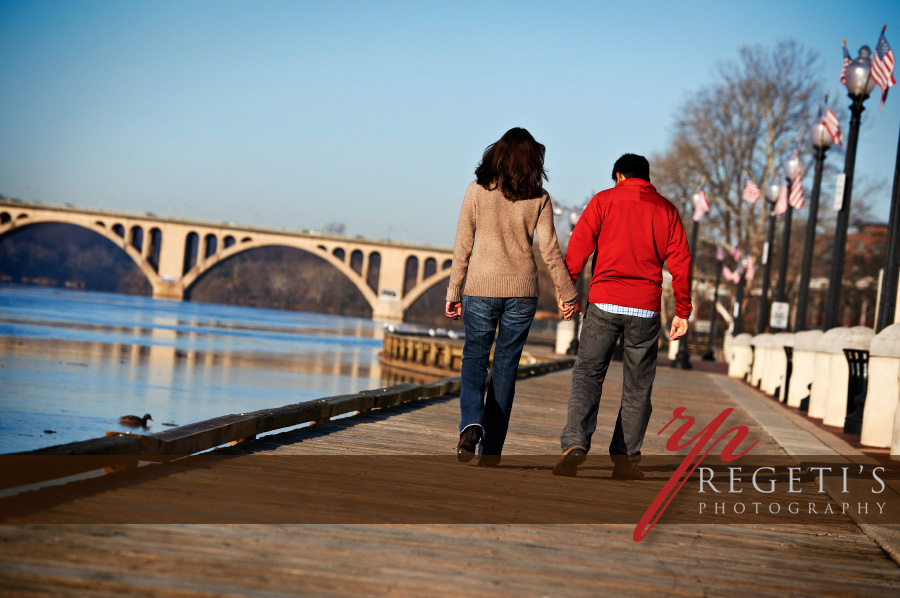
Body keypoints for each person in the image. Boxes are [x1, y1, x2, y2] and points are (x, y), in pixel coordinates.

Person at [552, 153, 692, 479]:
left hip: (604, 303)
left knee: (588, 375)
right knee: (638, 387)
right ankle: (626, 459)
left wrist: (567, 291)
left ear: (618, 176)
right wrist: (683, 310)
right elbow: (681, 265)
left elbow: (579, 247)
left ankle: (575, 443)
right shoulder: (667, 210)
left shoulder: (604, 201)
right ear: (647, 178)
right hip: (645, 309)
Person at [445, 127, 578, 465]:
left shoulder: (476, 191)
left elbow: (463, 245)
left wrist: (454, 289)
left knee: (475, 357)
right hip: (522, 292)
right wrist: (567, 293)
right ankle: (492, 450)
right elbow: (549, 250)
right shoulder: (539, 198)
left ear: (498, 154)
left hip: (481, 288)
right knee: (505, 366)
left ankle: (471, 424)